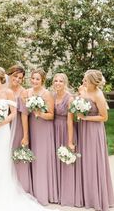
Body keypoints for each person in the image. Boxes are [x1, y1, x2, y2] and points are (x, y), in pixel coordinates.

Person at [0, 66, 56, 211]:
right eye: (15, 76)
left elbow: (17, 113)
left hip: (5, 127)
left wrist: (2, 123)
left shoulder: (11, 93)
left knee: (4, 158)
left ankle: (5, 191)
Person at [70, 69, 114, 211]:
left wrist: (86, 118)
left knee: (93, 160)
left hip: (94, 131)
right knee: (84, 160)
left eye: (86, 80)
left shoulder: (98, 95)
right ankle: (85, 195)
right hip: (83, 129)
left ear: (93, 82)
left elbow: (104, 117)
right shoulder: (82, 90)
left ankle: (96, 197)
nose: (83, 81)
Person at [21, 68, 58, 205]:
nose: (35, 81)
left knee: (42, 160)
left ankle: (44, 193)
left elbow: (51, 115)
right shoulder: (27, 92)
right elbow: (24, 111)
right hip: (32, 127)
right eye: (33, 78)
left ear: (42, 80)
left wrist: (39, 113)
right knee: (33, 158)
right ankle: (33, 191)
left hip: (43, 128)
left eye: (37, 79)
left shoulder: (47, 94)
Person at [53, 73, 82, 207]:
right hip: (54, 130)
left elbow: (70, 121)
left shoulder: (69, 98)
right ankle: (57, 193)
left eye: (60, 81)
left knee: (66, 161)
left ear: (65, 83)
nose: (57, 83)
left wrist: (70, 141)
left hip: (66, 129)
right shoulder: (52, 95)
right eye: (55, 81)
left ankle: (68, 195)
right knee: (56, 162)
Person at [7, 65, 32, 193]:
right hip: (3, 127)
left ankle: (20, 188)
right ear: (9, 75)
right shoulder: (2, 89)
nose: (17, 79)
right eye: (15, 76)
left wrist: (25, 135)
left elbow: (24, 114)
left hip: (17, 128)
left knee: (16, 154)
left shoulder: (23, 92)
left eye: (20, 78)